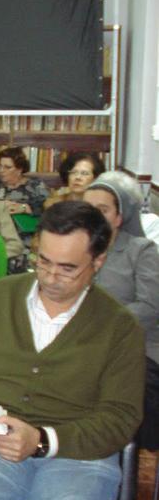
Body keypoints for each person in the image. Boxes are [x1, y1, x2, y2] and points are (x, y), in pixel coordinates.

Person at [0, 201, 144, 500]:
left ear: (98, 262)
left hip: (80, 455)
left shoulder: (119, 327)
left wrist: (42, 440)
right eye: (43, 261)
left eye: (67, 268)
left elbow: (120, 418)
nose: (51, 277)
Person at [84, 172, 159, 449]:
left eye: (102, 210)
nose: (93, 216)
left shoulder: (142, 250)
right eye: (87, 209)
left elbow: (150, 307)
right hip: (79, 344)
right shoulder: (75, 250)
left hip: (135, 347)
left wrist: (100, 324)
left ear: (119, 217)